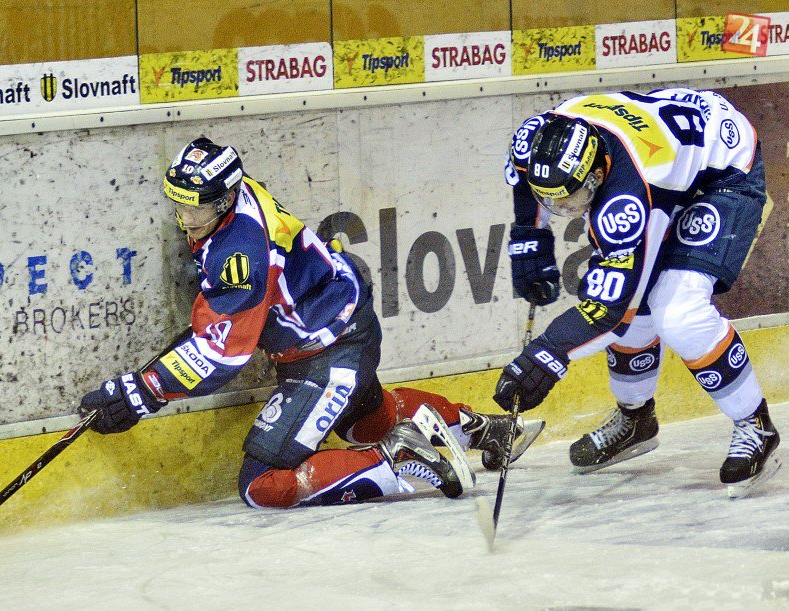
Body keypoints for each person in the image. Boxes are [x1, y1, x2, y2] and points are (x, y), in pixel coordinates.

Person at [80, 137, 544, 508]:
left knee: (261, 484)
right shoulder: (239, 194)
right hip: (343, 322)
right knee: (369, 420)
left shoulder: (239, 253)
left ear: (225, 200)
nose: (186, 219)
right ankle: (489, 430)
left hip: (327, 353)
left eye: (196, 208)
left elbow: (225, 355)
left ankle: (395, 456)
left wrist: (141, 392)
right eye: (179, 205)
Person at [496, 88, 780, 497]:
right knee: (639, 303)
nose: (564, 208)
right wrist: (529, 236)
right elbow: (526, 182)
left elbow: (609, 312)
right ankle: (636, 420)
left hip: (724, 172)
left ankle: (756, 424)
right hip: (670, 149)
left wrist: (546, 355)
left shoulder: (625, 199)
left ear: (597, 176)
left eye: (572, 197)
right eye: (553, 199)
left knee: (677, 312)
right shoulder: (536, 139)